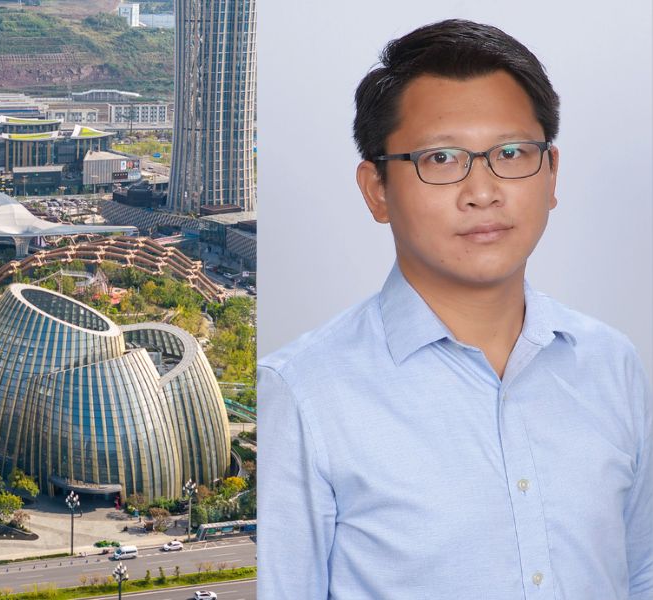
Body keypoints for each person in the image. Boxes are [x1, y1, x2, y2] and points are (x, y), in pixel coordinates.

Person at [256, 19, 652, 600]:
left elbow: (640, 574)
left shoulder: (611, 363)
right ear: (377, 190)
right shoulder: (304, 393)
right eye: (441, 158)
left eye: (511, 153)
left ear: (552, 174)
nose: (483, 191)